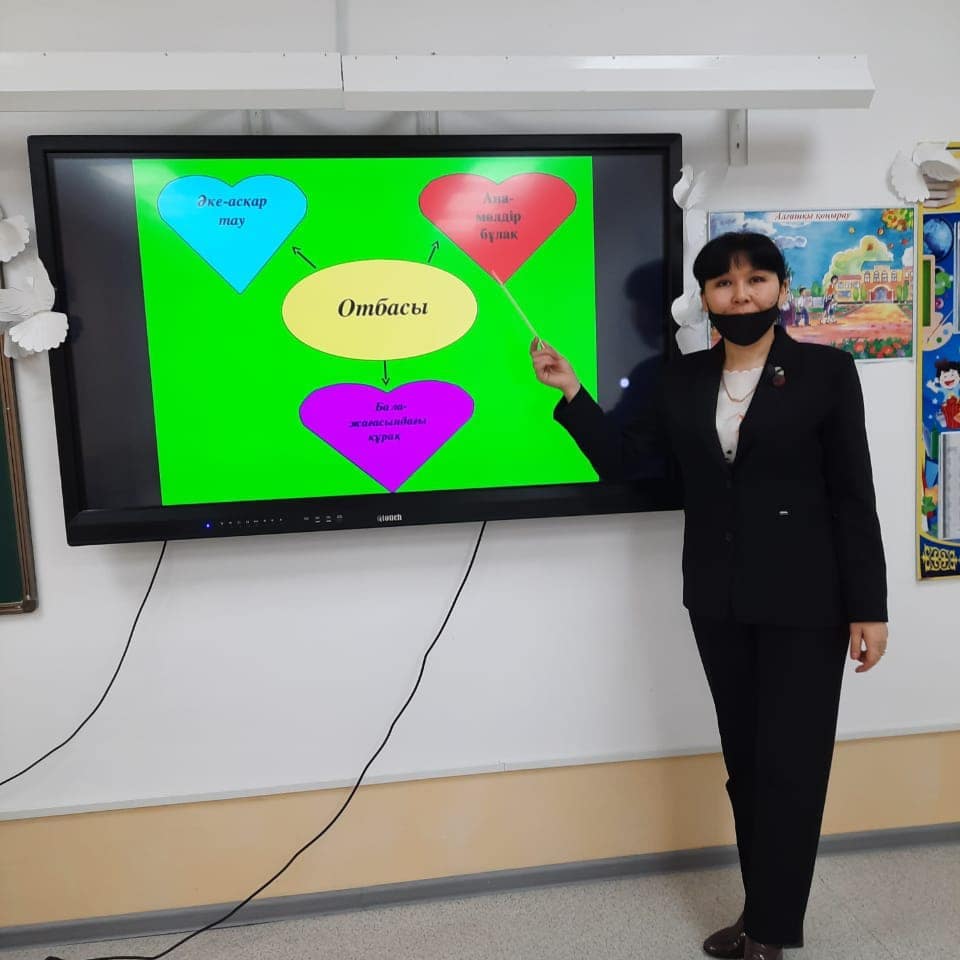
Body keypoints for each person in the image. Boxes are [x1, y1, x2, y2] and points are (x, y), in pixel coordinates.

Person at [530, 231, 889, 960]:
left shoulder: (826, 371)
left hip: (808, 601)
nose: (741, 295)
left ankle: (773, 932)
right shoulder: (684, 379)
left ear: (781, 288)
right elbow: (631, 464)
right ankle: (759, 914)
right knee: (747, 765)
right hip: (719, 599)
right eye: (724, 284)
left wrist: (869, 607)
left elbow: (853, 493)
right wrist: (572, 393)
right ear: (706, 299)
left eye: (756, 280)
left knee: (791, 765)